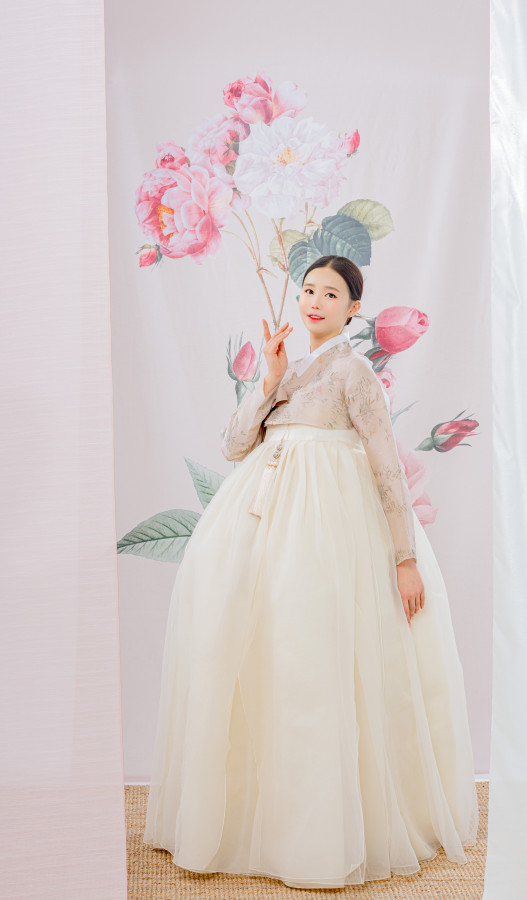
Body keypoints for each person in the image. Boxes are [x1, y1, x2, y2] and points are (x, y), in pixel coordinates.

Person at [143, 254, 479, 890]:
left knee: (316, 659)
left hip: (328, 532)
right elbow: (234, 445)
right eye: (309, 290)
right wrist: (268, 379)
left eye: (331, 294)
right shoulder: (289, 370)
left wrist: (405, 558)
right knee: (265, 657)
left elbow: (384, 464)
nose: (315, 302)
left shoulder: (355, 371)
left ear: (354, 308)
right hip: (267, 529)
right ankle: (260, 818)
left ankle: (325, 829)